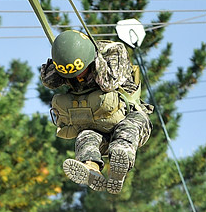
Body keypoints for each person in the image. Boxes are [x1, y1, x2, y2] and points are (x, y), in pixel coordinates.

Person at [40, 30, 153, 194]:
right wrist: (59, 63)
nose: (79, 77)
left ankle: (118, 160)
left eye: (82, 71)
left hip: (129, 116)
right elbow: (48, 81)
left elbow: (108, 83)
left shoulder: (113, 53)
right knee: (85, 137)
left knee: (127, 130)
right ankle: (90, 167)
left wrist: (95, 60)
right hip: (98, 126)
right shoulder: (66, 66)